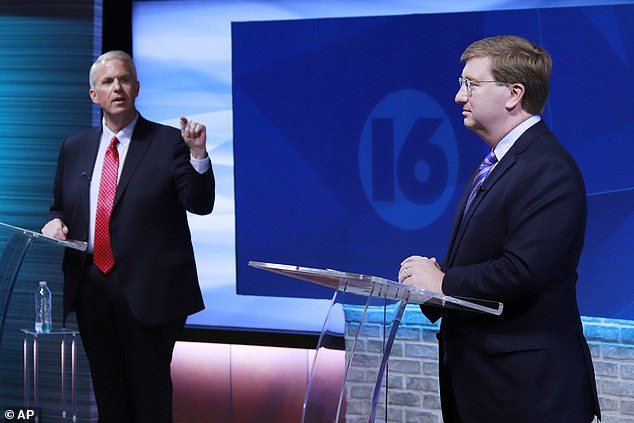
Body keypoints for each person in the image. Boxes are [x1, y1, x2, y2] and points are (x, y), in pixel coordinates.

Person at [397, 35, 601, 422]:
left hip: (527, 396)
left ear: (513, 93)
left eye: (471, 84)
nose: (460, 97)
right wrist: (431, 286)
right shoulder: (496, 163)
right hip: (483, 388)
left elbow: (523, 272)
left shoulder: (547, 168)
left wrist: (443, 283)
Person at [42, 50, 215, 422]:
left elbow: (199, 203)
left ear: (136, 88)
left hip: (150, 291)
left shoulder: (169, 142)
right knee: (109, 397)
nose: (116, 87)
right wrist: (54, 224)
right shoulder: (74, 148)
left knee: (150, 398)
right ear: (94, 95)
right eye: (107, 82)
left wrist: (198, 154)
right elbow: (59, 206)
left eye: (123, 79)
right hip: (90, 288)